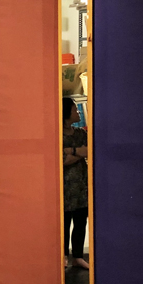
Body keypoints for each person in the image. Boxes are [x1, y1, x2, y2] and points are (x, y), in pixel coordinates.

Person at [62, 97, 89, 269]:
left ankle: (78, 256)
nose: (78, 112)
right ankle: (63, 256)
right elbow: (62, 160)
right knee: (64, 224)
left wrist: (71, 150)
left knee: (80, 222)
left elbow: (89, 150)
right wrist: (79, 153)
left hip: (82, 186)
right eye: (74, 110)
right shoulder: (57, 134)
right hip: (63, 188)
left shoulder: (80, 133)